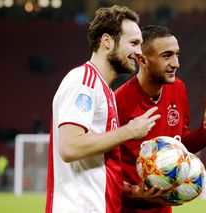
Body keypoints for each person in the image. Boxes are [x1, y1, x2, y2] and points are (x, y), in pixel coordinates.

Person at [45, 6, 161, 213]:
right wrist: (130, 131)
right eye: (134, 43)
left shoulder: (102, 89)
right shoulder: (84, 82)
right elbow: (70, 147)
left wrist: (130, 191)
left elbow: (98, 163)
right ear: (107, 41)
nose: (139, 52)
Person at [115, 25, 206, 213]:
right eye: (167, 55)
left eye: (177, 55)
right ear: (142, 60)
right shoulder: (117, 102)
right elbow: (104, 171)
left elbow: (179, 148)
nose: (176, 63)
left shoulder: (178, 89)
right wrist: (133, 195)